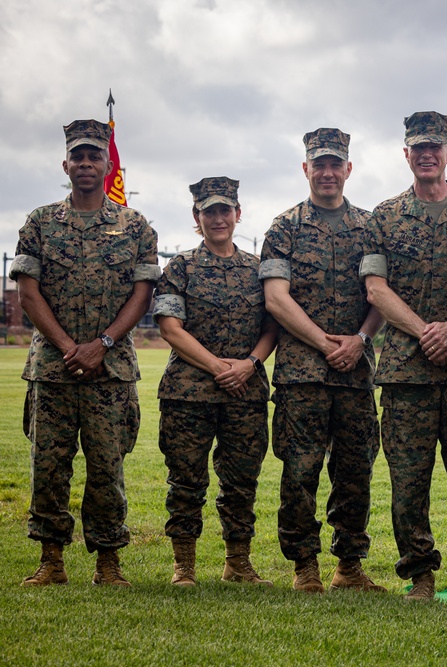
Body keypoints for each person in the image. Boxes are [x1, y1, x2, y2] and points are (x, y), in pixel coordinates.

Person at [11, 119, 159, 587]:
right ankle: (51, 561)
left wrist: (104, 344)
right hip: (53, 370)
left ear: (108, 162)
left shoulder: (135, 225)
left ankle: (108, 564)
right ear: (66, 164)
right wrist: (69, 346)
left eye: (95, 156)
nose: (87, 163)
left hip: (110, 371)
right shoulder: (38, 222)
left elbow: (142, 294)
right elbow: (28, 294)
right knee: (48, 468)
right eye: (79, 156)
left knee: (106, 468)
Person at [362, 111, 447, 603]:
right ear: (406, 155)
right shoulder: (384, 217)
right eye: (417, 148)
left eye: (434, 147)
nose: (426, 155)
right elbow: (376, 288)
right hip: (405, 373)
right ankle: (420, 575)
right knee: (408, 481)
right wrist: (425, 333)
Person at [260, 128, 386, 593]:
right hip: (300, 375)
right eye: (320, 164)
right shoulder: (283, 228)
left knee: (355, 471)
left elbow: (381, 294)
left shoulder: (370, 227)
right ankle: (304, 567)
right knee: (300, 471)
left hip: (355, 374)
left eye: (336, 164)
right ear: (306, 168)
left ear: (348, 169)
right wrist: (325, 343)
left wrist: (358, 339)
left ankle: (349, 568)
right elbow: (276, 299)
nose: (328, 172)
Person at [153, 177, 278, 587]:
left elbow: (272, 327)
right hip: (188, 395)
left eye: (226, 210)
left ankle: (238, 563)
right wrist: (217, 367)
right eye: (210, 211)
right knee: (186, 480)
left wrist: (250, 364)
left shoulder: (257, 270)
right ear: (197, 217)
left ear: (238, 215)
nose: (219, 218)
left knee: (241, 480)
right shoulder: (181, 267)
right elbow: (170, 327)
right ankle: (183, 566)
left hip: (245, 392)